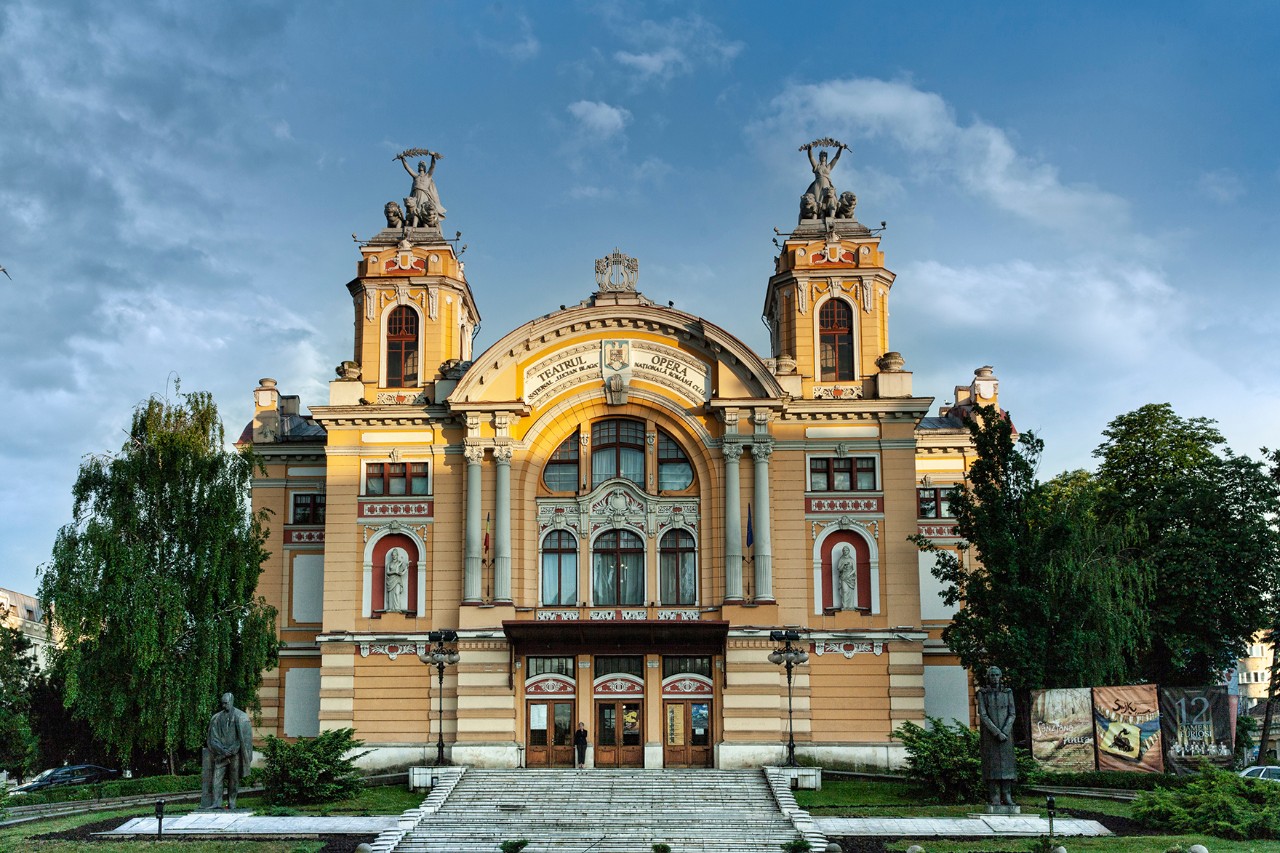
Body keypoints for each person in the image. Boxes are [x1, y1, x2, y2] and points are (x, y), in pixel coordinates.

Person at [201, 692, 253, 809]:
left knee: (233, 780)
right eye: (222, 703)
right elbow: (213, 738)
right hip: (221, 754)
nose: (224, 706)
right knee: (217, 778)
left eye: (226, 703)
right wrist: (222, 750)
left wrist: (234, 749)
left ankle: (232, 802)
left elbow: (244, 739)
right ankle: (216, 802)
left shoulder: (241, 717)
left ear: (231, 702)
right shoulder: (216, 718)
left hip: (235, 755)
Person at [977, 665, 1017, 806]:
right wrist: (996, 732)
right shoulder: (983, 693)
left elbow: (1012, 713)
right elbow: (983, 714)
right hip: (990, 736)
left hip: (1006, 736)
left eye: (997, 675)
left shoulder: (1008, 692)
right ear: (988, 677)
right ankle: (994, 796)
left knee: (1007, 766)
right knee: (992, 766)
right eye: (992, 675)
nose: (994, 677)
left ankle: (1007, 795)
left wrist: (1004, 731)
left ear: (1000, 676)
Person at [400, 154, 446, 224]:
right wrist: (402, 159)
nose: (421, 166)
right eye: (419, 166)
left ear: (425, 168)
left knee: (423, 209)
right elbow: (408, 168)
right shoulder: (416, 177)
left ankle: (424, 220)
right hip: (415, 195)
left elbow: (432, 166)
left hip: (424, 195)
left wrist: (433, 157)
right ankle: (414, 221)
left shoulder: (428, 176)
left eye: (422, 165)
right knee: (414, 209)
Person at [805, 145, 844, 213]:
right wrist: (810, 149)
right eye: (821, 156)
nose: (823, 157)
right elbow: (810, 157)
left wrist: (840, 148)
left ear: (826, 158)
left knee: (829, 200)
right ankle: (817, 215)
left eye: (824, 156)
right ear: (819, 157)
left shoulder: (828, 167)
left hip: (827, 185)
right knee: (817, 201)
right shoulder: (816, 166)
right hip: (818, 185)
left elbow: (836, 157)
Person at [384, 547, 408, 612]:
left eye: (395, 555)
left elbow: (403, 570)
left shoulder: (400, 563)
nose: (394, 556)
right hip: (390, 581)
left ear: (397, 555)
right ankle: (391, 608)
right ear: (392, 556)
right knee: (391, 594)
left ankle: (397, 608)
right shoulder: (389, 564)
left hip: (397, 580)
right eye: (393, 555)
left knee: (397, 593)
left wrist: (406, 566)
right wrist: (394, 572)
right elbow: (387, 572)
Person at [836, 544, 857, 609]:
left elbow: (854, 569)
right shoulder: (841, 559)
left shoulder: (851, 560)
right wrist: (843, 565)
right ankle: (844, 606)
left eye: (846, 550)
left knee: (850, 592)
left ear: (848, 551)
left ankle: (850, 606)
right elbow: (839, 568)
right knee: (844, 590)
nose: (845, 551)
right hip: (843, 577)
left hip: (850, 578)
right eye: (844, 550)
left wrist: (850, 574)